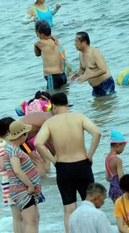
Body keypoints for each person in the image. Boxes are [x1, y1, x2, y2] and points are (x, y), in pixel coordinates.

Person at [34, 93, 101, 233]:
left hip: (63, 167)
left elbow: (38, 143)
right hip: (83, 165)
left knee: (69, 209)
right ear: (67, 103)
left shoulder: (50, 123)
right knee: (90, 205)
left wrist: (53, 160)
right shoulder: (79, 117)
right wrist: (90, 154)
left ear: (53, 106)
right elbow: (97, 133)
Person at [2, 120, 45, 233]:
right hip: (23, 190)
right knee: (30, 221)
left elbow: (4, 166)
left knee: (35, 219)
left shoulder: (10, 148)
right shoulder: (13, 150)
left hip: (22, 190)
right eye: (25, 133)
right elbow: (17, 170)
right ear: (22, 135)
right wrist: (30, 185)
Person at [71, 32, 115, 97]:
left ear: (84, 42)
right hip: (95, 87)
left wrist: (87, 77)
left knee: (107, 105)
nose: (75, 44)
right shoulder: (81, 54)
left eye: (77, 41)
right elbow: (82, 68)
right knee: (97, 106)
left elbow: (103, 70)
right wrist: (76, 75)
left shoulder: (95, 52)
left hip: (106, 83)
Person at [34, 20, 67, 89]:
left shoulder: (41, 42)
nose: (35, 33)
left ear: (41, 34)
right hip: (63, 75)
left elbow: (37, 54)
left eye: (36, 32)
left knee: (51, 98)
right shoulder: (55, 40)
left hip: (53, 77)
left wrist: (35, 45)